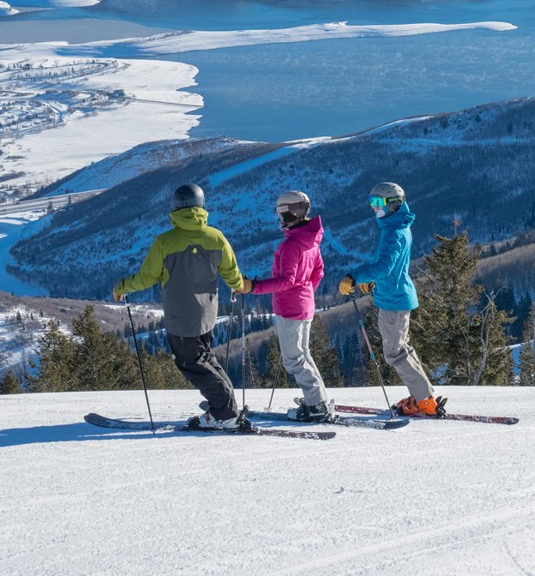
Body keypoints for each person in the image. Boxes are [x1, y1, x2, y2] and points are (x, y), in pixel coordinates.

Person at [113, 183, 246, 429]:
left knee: (191, 363)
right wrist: (237, 285)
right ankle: (226, 405)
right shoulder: (216, 237)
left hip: (180, 316)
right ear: (202, 206)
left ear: (175, 208)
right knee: (205, 357)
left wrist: (122, 287)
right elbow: (231, 272)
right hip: (207, 313)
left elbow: (147, 277)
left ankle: (224, 412)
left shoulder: (164, 241)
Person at [339, 181, 441, 418]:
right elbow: (390, 267)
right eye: (371, 203)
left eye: (378, 203)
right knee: (401, 349)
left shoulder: (394, 232)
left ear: (393, 204)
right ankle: (422, 396)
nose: (374, 208)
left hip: (394, 300)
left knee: (395, 353)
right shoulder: (395, 226)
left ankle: (424, 400)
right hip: (394, 294)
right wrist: (372, 280)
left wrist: (355, 276)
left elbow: (385, 266)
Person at [237, 190, 334, 423]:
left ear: (290, 212)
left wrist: (252, 286)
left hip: (290, 307)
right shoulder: (310, 239)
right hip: (304, 305)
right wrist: (306, 292)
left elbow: (286, 281)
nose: (280, 217)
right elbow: (318, 271)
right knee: (303, 355)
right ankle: (318, 399)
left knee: (293, 360)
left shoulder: (291, 244)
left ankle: (316, 405)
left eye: (282, 211)